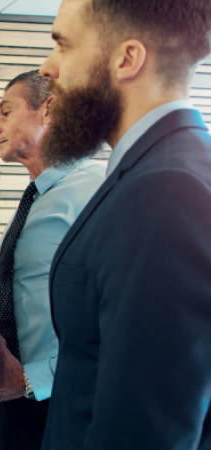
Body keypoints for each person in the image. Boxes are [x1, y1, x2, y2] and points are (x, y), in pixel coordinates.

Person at [37, 1, 211, 448]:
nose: (47, 67)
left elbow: (145, 432)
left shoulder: (167, 190)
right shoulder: (154, 168)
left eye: (63, 45)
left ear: (127, 58)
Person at [0, 70, 105, 450]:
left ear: (48, 110)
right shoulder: (31, 202)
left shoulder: (97, 191)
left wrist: (33, 379)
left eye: (6, 112)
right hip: (13, 404)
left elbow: (120, 315)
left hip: (66, 405)